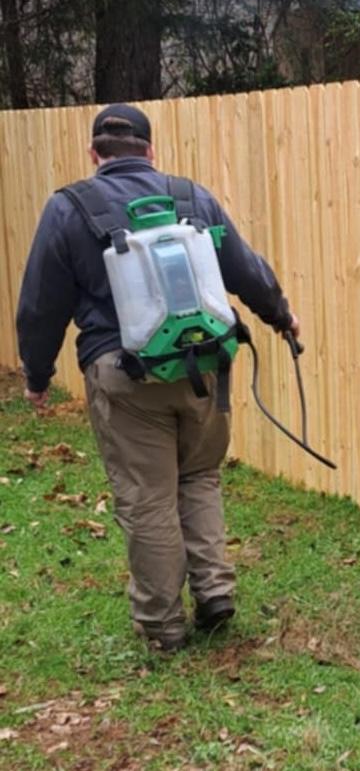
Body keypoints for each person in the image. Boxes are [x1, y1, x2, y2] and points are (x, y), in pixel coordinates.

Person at [15, 103, 299, 652]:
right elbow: (245, 269)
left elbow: (41, 305)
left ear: (95, 156)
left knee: (148, 496)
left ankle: (163, 625)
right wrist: (281, 315)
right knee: (199, 476)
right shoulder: (191, 197)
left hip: (126, 376)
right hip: (205, 367)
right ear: (150, 152)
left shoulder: (69, 208)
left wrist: (38, 375)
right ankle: (214, 590)